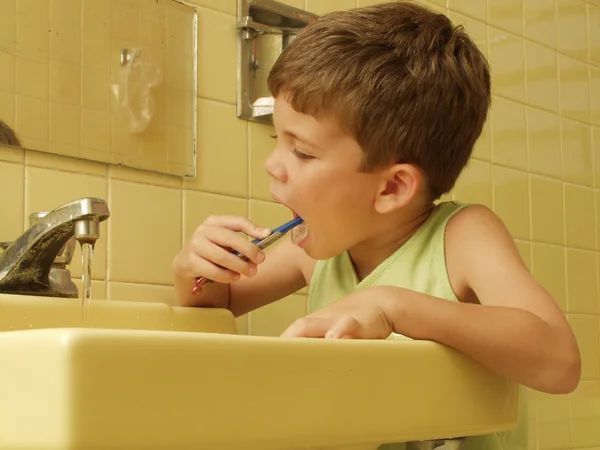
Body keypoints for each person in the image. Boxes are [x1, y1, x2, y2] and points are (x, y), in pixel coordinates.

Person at [173, 2, 580, 448]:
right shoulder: (315, 252)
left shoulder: (463, 237)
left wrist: (391, 306)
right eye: (277, 140)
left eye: (302, 152)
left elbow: (558, 362)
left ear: (391, 188)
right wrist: (196, 271)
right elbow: (216, 309)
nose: (273, 165)